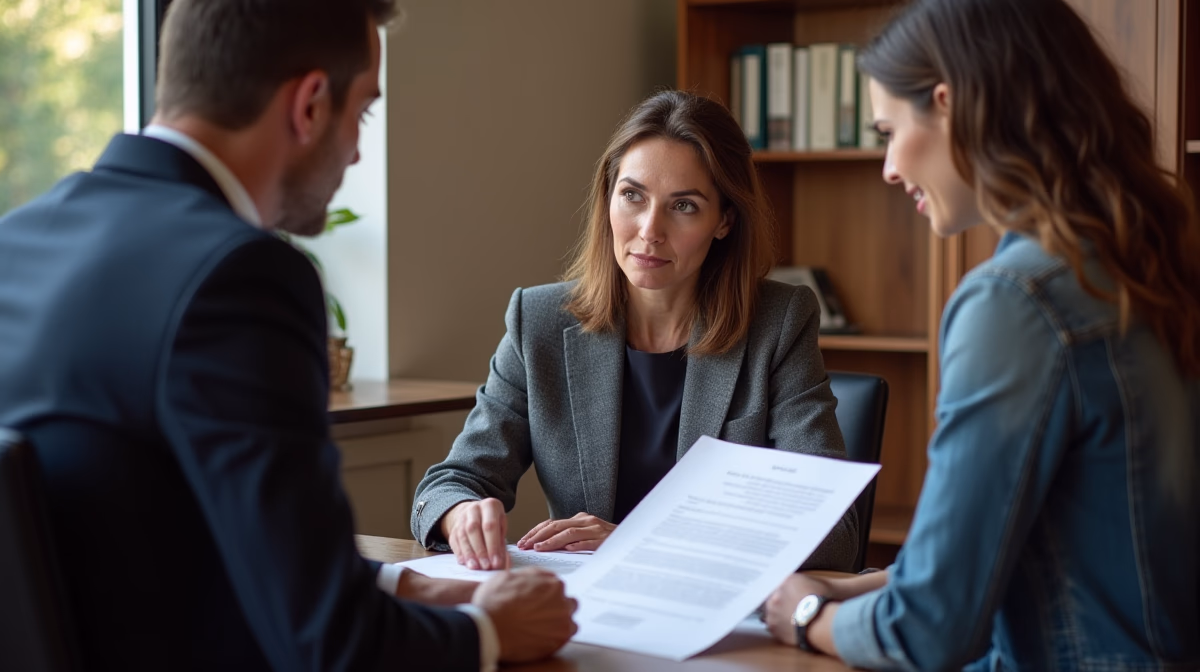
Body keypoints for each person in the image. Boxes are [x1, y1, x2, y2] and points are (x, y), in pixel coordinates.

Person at [0, 1, 577, 669]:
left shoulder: (18, 240)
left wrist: (400, 580)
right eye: (360, 112)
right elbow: (331, 645)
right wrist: (490, 632)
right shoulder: (238, 275)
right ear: (308, 105)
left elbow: (153, 539)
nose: (359, 149)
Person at [762, 0, 1200, 669]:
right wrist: (845, 588)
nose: (887, 166)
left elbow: (929, 629)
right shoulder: (1145, 266)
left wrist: (805, 615)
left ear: (950, 105)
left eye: (888, 130)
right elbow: (1038, 550)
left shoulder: (1017, 301)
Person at [411, 90, 858, 574]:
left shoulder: (779, 323)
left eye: (683, 206)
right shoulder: (538, 321)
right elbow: (448, 484)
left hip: (715, 616)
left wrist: (641, 543)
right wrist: (461, 516)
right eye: (632, 195)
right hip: (582, 616)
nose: (649, 229)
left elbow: (833, 536)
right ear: (608, 197)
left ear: (724, 220)